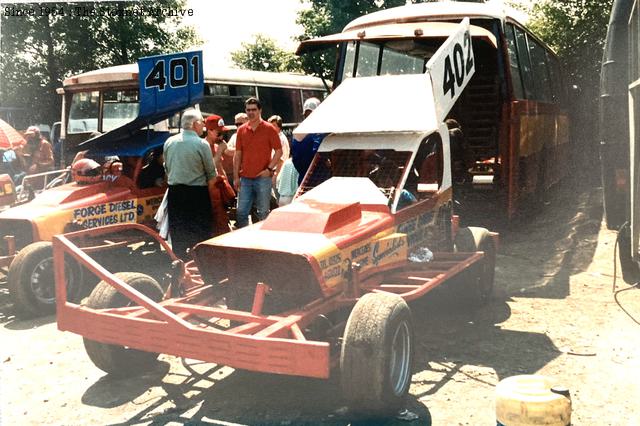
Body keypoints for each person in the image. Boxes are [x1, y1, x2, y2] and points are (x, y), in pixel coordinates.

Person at [163, 109, 217, 259]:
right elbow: (211, 174)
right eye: (201, 122)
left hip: (175, 193)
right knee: (200, 233)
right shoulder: (202, 144)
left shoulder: (169, 142)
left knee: (179, 232)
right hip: (197, 194)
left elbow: (167, 169)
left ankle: (180, 266)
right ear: (195, 124)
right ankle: (200, 265)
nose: (203, 126)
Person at [233, 98, 282, 228]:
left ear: (260, 110)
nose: (251, 113)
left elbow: (279, 151)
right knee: (241, 213)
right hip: (245, 179)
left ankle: (262, 242)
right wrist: (236, 177)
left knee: (263, 213)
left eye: (254, 109)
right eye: (248, 110)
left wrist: (270, 169)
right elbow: (237, 155)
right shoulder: (241, 130)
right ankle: (243, 242)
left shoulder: (269, 128)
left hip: (262, 178)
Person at [204, 114, 235, 235]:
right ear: (210, 131)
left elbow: (222, 164)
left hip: (220, 191)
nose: (222, 136)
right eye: (219, 133)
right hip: (210, 192)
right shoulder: (203, 146)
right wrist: (220, 152)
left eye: (223, 133)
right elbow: (209, 168)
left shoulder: (217, 145)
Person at [291, 97, 326, 184]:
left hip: (308, 178)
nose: (309, 117)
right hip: (316, 178)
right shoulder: (300, 133)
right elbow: (296, 158)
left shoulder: (299, 132)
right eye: (307, 114)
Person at [224, 112, 249, 186]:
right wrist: (240, 151)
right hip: (240, 174)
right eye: (236, 124)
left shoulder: (255, 135)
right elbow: (227, 150)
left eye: (240, 124)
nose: (238, 126)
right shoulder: (235, 136)